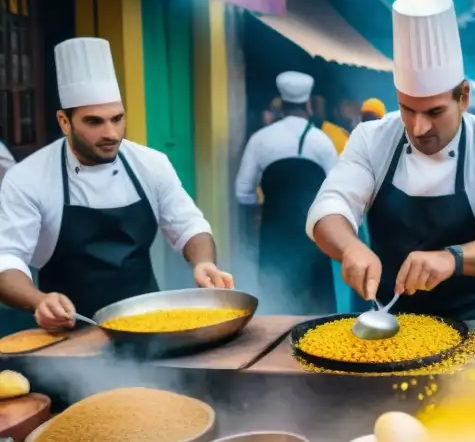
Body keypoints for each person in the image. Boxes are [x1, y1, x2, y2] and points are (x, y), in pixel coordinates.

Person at [306, 0, 475, 320]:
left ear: (464, 98)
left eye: (435, 111)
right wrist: (350, 247)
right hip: (388, 325)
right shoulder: (372, 139)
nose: (418, 127)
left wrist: (451, 258)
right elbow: (328, 208)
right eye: (407, 109)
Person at [0, 37, 233, 329]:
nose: (111, 133)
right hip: (68, 329)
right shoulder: (28, 178)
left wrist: (203, 263)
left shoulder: (151, 163)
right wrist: (37, 300)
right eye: (94, 122)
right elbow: (7, 257)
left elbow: (189, 227)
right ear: (64, 121)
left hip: (148, 325)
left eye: (117, 118)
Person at [236, 72, 338, 315]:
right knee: (317, 308)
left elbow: (243, 193)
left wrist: (262, 213)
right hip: (315, 236)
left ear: (281, 102)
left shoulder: (260, 140)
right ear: (309, 103)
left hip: (273, 233)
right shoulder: (322, 141)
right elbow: (337, 192)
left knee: (275, 299)